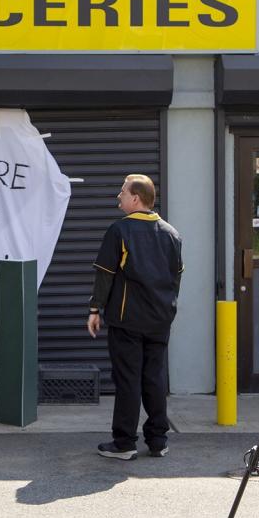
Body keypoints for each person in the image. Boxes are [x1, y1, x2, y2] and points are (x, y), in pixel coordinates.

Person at [87, 174, 183, 460]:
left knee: (128, 379)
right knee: (154, 378)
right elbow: (176, 277)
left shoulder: (120, 231)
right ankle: (158, 441)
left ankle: (125, 443)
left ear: (136, 198)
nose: (119, 197)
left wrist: (95, 309)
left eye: (122, 192)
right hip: (159, 320)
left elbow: (104, 274)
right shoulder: (171, 233)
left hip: (127, 320)